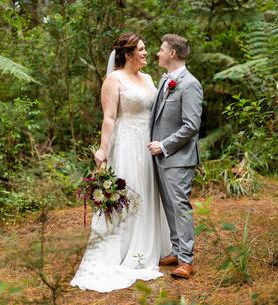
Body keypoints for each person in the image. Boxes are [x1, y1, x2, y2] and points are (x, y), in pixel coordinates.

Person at [70, 32, 171, 293]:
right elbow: (110, 118)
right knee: (130, 192)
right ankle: (125, 248)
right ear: (127, 54)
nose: (146, 53)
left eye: (146, 48)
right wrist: (103, 151)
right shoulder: (113, 80)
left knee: (149, 192)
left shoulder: (149, 79)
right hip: (126, 144)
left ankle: (150, 246)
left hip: (148, 144)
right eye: (141, 49)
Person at [148, 34, 203, 279]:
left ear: (172, 54)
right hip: (161, 156)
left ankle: (186, 260)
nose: (157, 53)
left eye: (161, 50)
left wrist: (165, 145)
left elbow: (191, 125)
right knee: (169, 205)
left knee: (180, 205)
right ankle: (177, 250)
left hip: (178, 157)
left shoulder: (190, 84)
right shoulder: (166, 81)